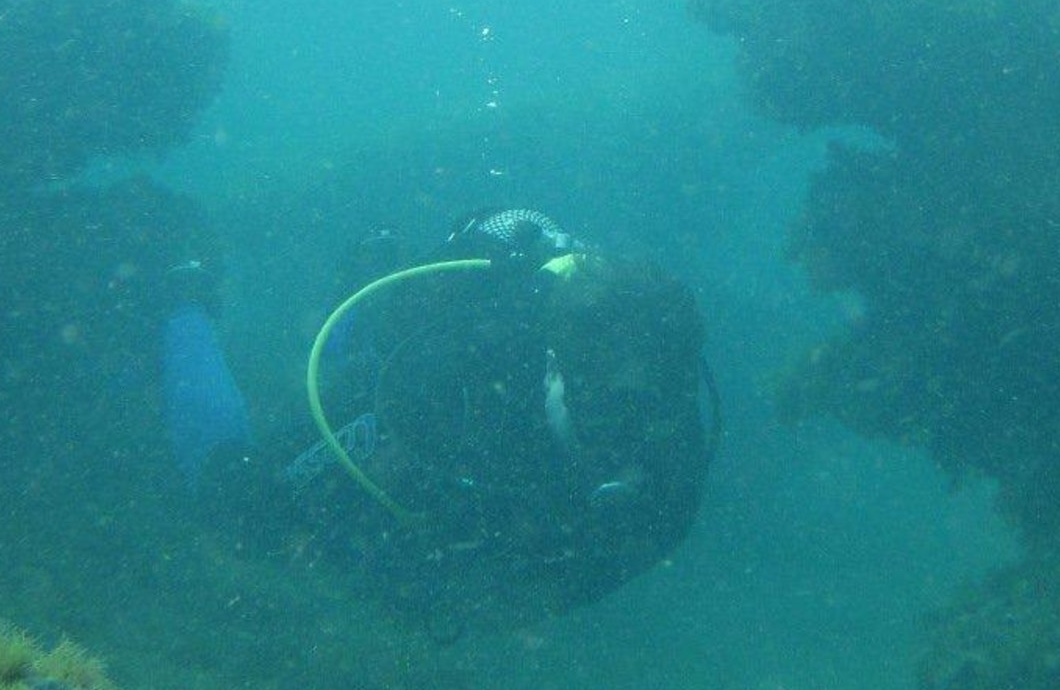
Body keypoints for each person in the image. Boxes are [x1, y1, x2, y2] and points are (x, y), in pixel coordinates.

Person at [163, 208, 718, 626]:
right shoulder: (458, 374)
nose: (621, 440)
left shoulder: (671, 463)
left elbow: (572, 581)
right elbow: (383, 474)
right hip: (410, 381)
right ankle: (186, 301)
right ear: (553, 366)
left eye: (650, 412)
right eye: (603, 409)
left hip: (482, 489)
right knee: (236, 504)